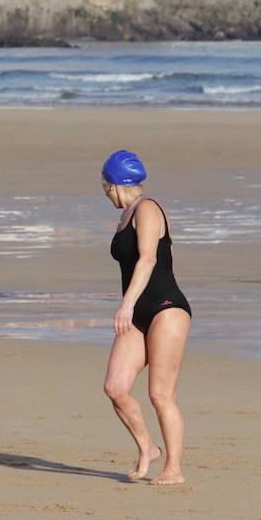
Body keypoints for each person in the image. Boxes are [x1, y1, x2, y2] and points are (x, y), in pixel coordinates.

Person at [100, 150, 192, 485]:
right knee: (116, 387)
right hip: (138, 311)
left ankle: (174, 468)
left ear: (112, 184)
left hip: (166, 308)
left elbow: (150, 260)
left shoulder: (148, 208)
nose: (104, 192)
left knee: (160, 395)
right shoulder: (125, 214)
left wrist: (126, 304)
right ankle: (147, 448)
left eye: (104, 186)